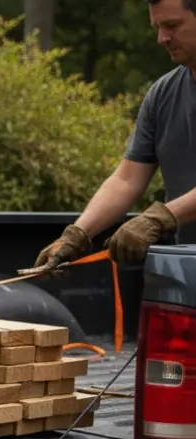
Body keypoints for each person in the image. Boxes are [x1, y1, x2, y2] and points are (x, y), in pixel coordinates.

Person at [36, 0, 196, 271]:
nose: (161, 38)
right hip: (187, 269)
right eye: (157, 27)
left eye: (171, 25)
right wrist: (78, 233)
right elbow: (126, 179)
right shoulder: (163, 95)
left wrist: (160, 218)